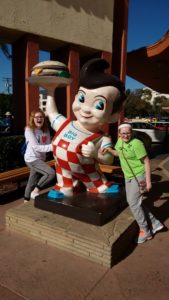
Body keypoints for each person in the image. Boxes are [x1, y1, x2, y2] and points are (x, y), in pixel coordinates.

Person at [43, 58, 126, 198]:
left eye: (99, 105)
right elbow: (51, 113)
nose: (86, 109)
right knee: (64, 182)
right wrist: (50, 91)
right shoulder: (65, 124)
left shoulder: (102, 138)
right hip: (62, 169)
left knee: (97, 186)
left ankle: (99, 186)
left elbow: (108, 159)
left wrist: (96, 154)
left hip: (89, 173)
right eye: (81, 99)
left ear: (113, 115)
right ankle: (66, 187)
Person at [103, 122, 164, 244]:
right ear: (119, 134)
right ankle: (155, 223)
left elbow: (147, 162)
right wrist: (109, 150)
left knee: (133, 203)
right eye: (123, 133)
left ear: (131, 133)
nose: (126, 136)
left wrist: (148, 182)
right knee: (136, 202)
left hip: (139, 176)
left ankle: (145, 230)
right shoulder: (119, 142)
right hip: (128, 176)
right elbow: (119, 153)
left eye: (128, 133)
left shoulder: (136, 144)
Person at [24, 108, 55, 202]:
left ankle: (26, 200)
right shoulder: (29, 130)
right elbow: (36, 147)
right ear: (32, 119)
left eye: (41, 117)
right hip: (32, 159)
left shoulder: (45, 130)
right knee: (50, 173)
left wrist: (54, 145)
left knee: (32, 180)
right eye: (36, 117)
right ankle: (35, 191)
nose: (39, 119)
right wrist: (54, 146)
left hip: (41, 159)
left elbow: (48, 144)